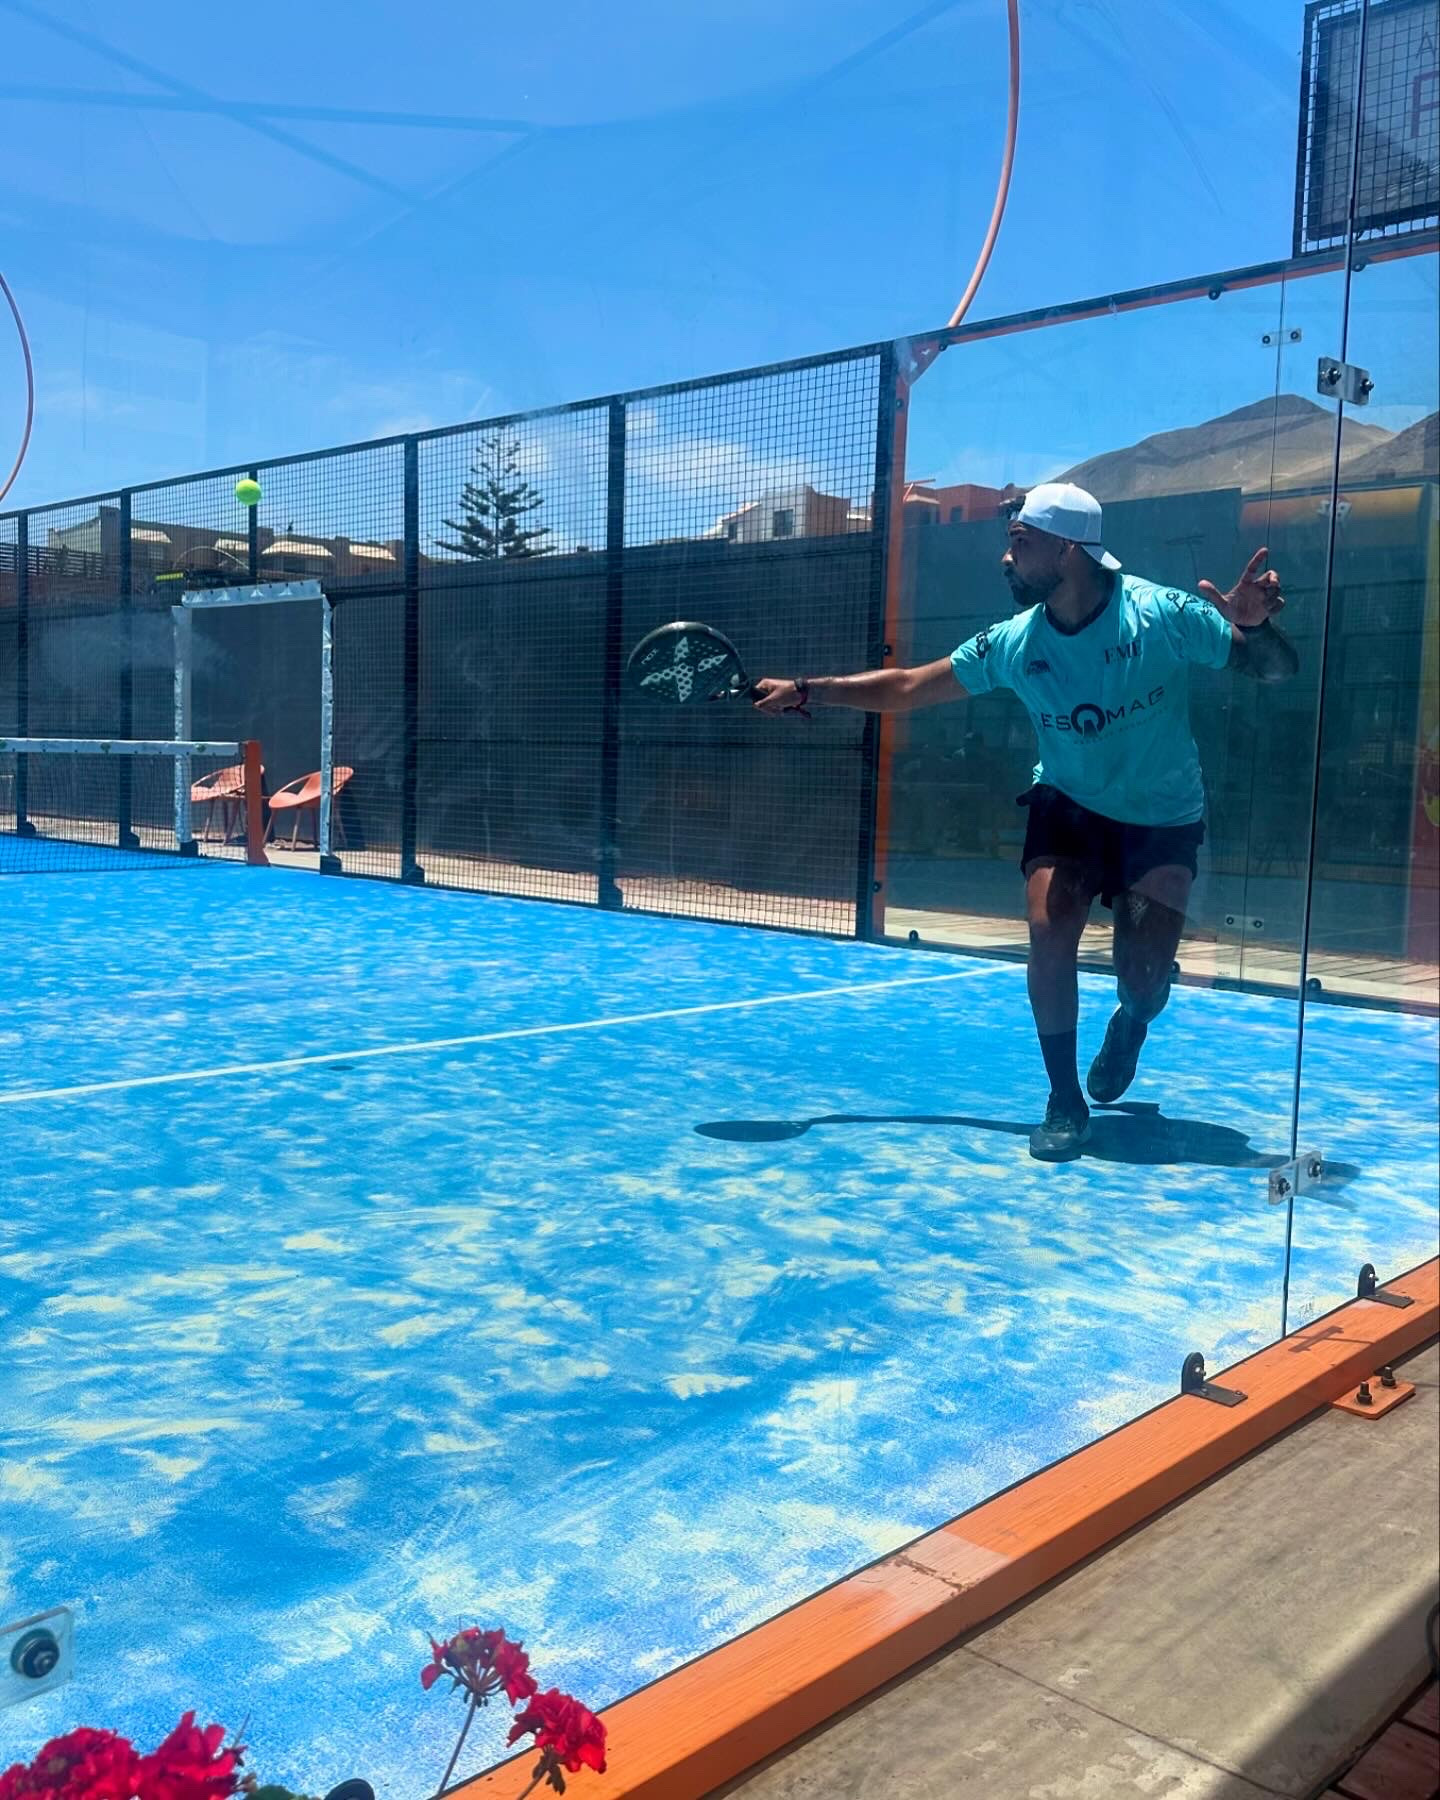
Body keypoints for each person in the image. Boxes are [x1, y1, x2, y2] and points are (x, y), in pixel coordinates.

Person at [752, 482, 1298, 1162]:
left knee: (1144, 976)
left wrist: (1254, 627)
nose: (1005, 559)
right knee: (1049, 927)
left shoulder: (1161, 614)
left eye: (1019, 542)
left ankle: (1133, 1018)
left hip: (1161, 819)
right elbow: (912, 685)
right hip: (1067, 807)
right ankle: (1064, 1100)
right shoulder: (1016, 642)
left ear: (1067, 549)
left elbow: (1274, 671)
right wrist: (809, 689)